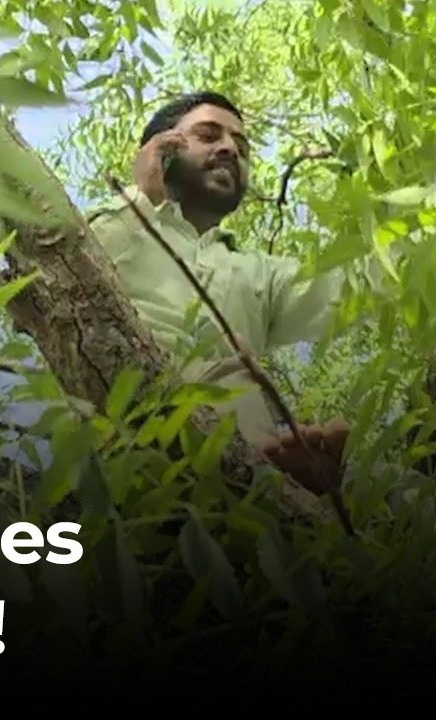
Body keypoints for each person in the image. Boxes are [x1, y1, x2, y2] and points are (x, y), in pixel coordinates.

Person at [85, 91, 351, 494]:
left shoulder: (259, 274)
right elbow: (58, 274)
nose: (229, 149)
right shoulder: (106, 225)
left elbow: (360, 287)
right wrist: (142, 197)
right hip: (111, 432)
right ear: (160, 148)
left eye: (242, 149)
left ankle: (282, 481)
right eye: (208, 136)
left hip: (238, 433)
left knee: (396, 485)